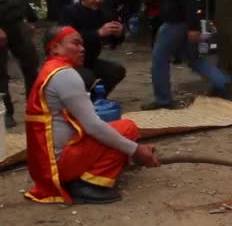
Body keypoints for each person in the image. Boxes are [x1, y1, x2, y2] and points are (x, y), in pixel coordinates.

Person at [24, 26, 160, 204]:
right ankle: (87, 184)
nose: (82, 48)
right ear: (55, 47)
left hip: (45, 167)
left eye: (82, 44)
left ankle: (82, 178)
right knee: (127, 128)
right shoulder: (65, 75)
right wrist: (135, 150)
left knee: (117, 134)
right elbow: (93, 126)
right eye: (75, 43)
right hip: (57, 166)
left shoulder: (49, 71)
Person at [142, 0, 230, 110]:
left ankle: (163, 100)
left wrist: (193, 26)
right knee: (194, 60)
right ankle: (224, 84)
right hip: (181, 21)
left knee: (159, 59)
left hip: (176, 21)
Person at [59, 0, 126, 95]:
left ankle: (94, 98)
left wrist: (118, 33)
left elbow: (113, 42)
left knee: (116, 70)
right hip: (68, 62)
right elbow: (68, 39)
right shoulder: (68, 12)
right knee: (87, 76)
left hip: (90, 60)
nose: (98, 0)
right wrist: (98, 33)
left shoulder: (104, 14)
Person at [0, 0, 40, 128]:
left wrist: (25, 18)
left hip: (15, 21)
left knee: (31, 62)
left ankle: (33, 107)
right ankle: (6, 112)